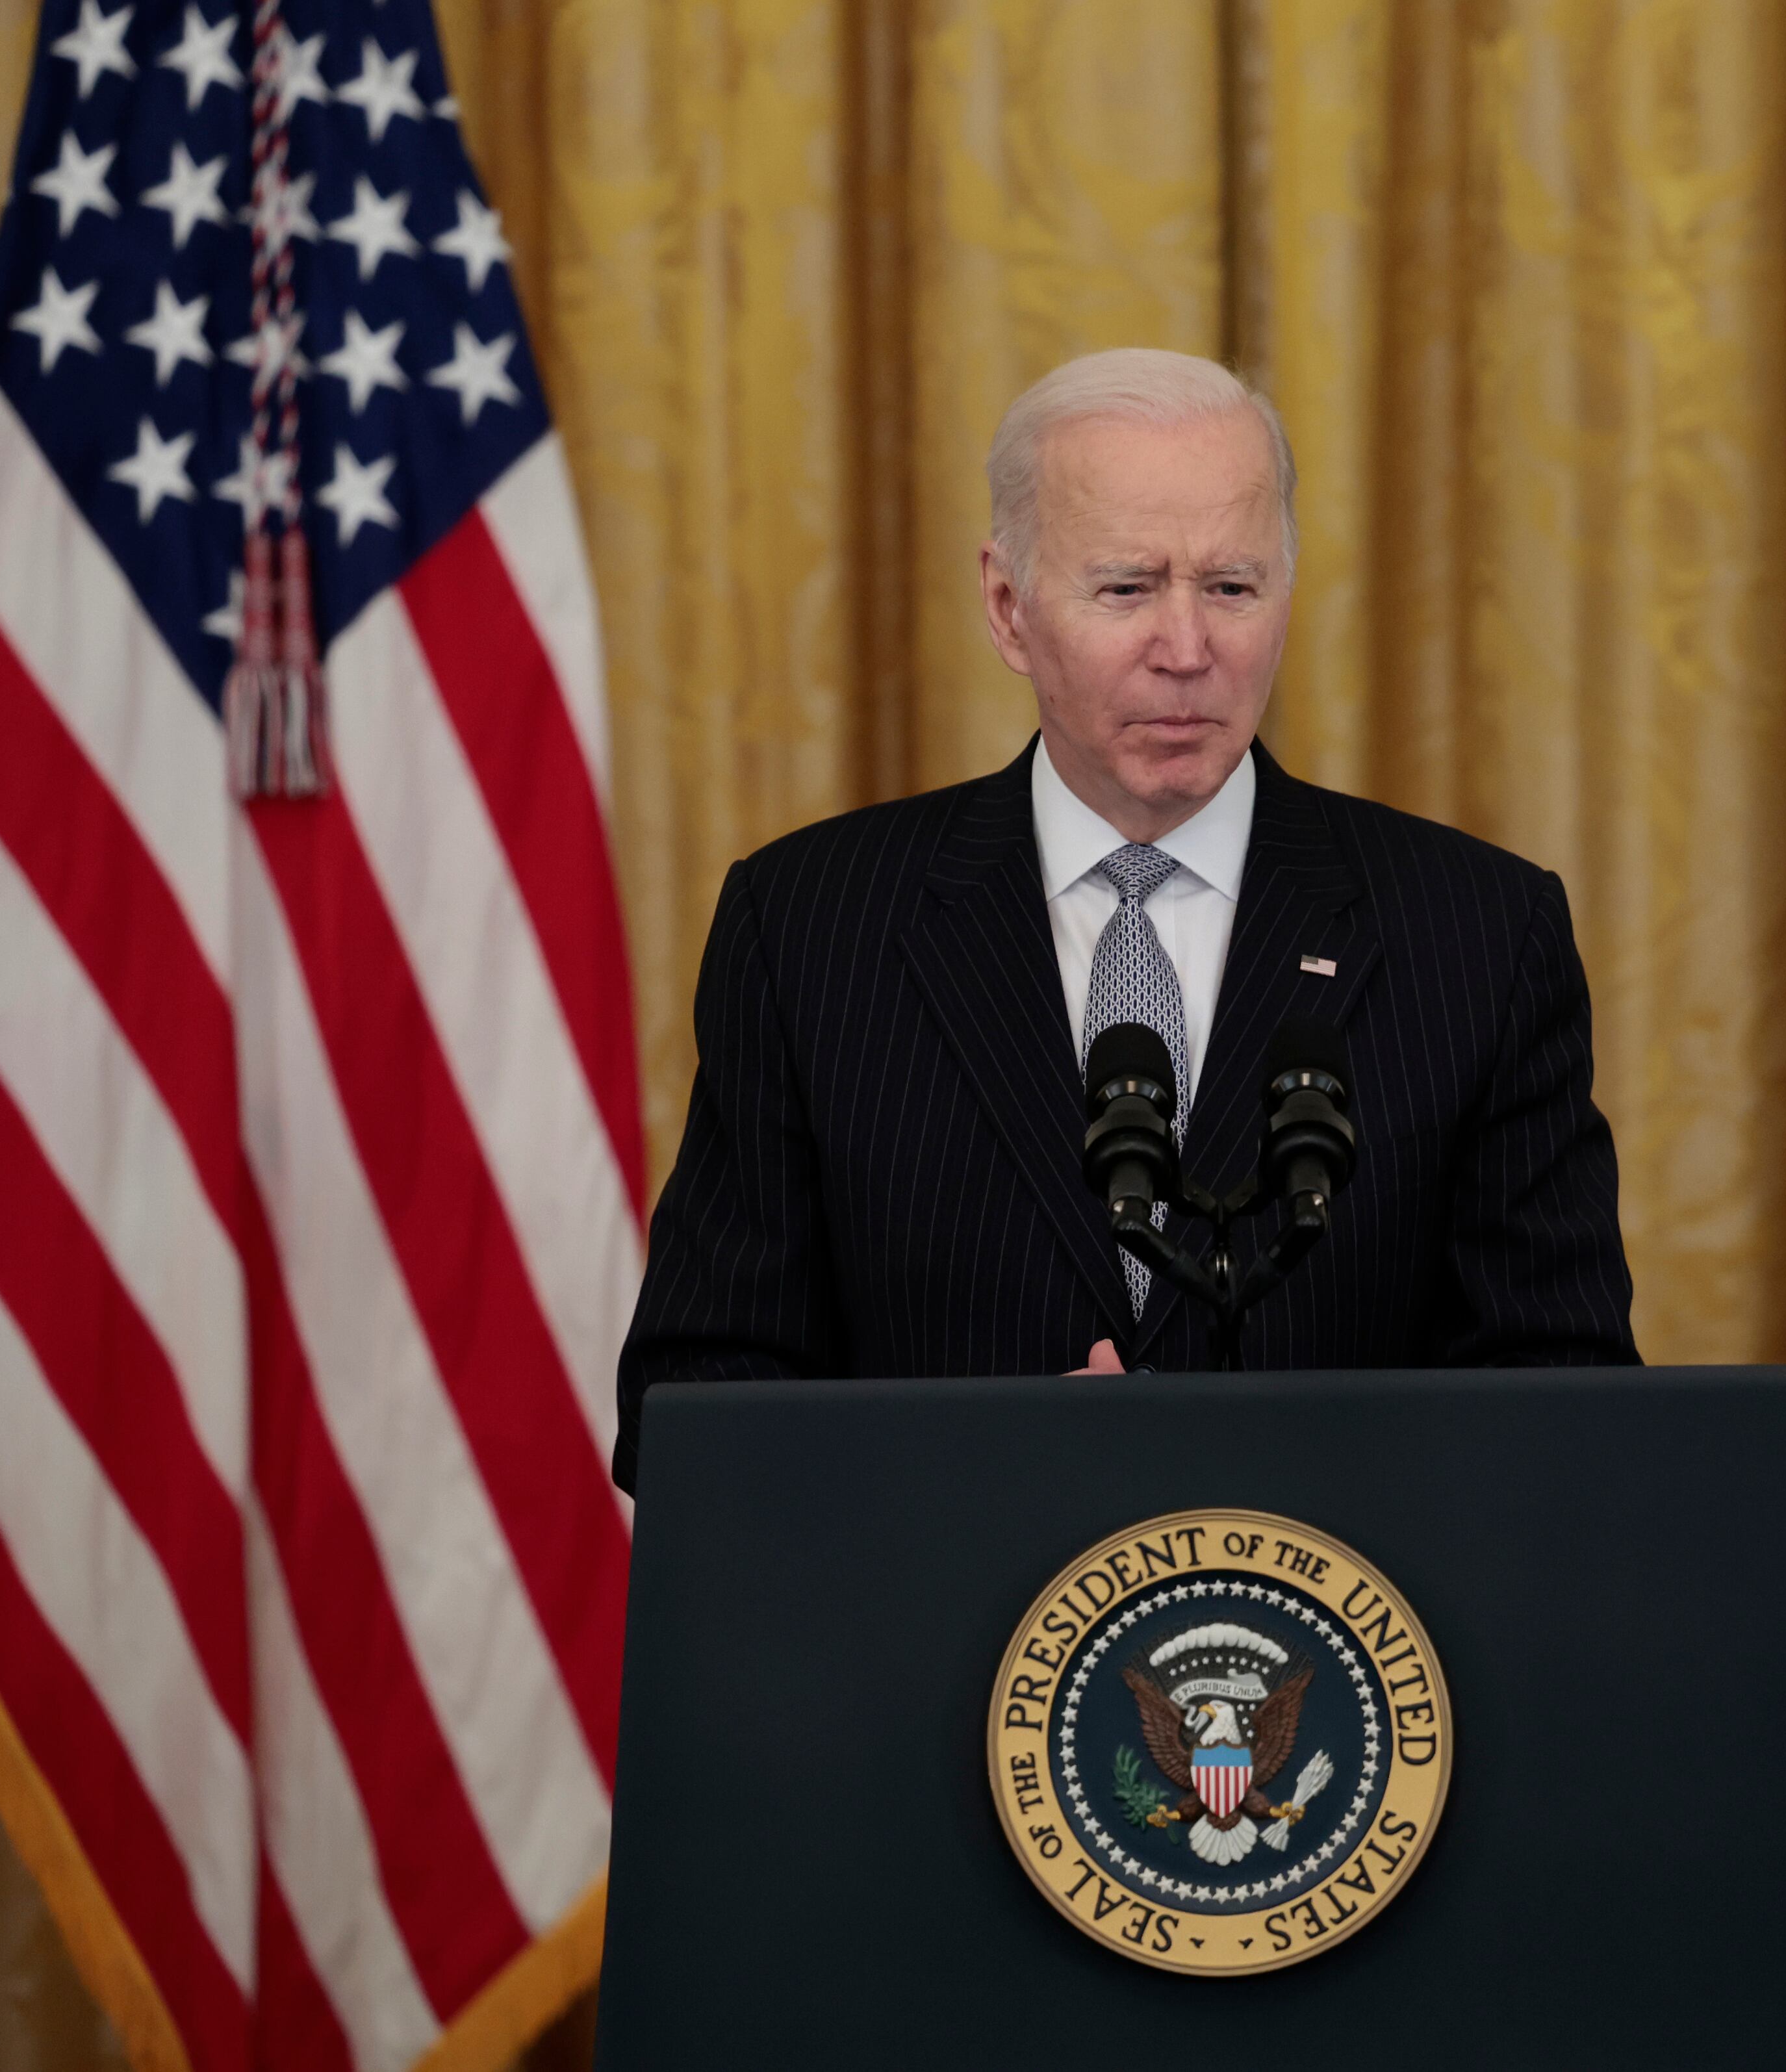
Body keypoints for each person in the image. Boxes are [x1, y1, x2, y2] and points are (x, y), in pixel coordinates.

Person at [613, 348, 1635, 1489]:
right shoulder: (809, 930)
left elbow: (1569, 1399)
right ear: (1009, 608)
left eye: (1233, 588)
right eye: (1127, 588)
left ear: (1287, 599)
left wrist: (1265, 1475)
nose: (1188, 649)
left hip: (1336, 1654)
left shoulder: (1481, 937)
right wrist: (993, 1471)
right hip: (951, 1651)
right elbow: (690, 1407)